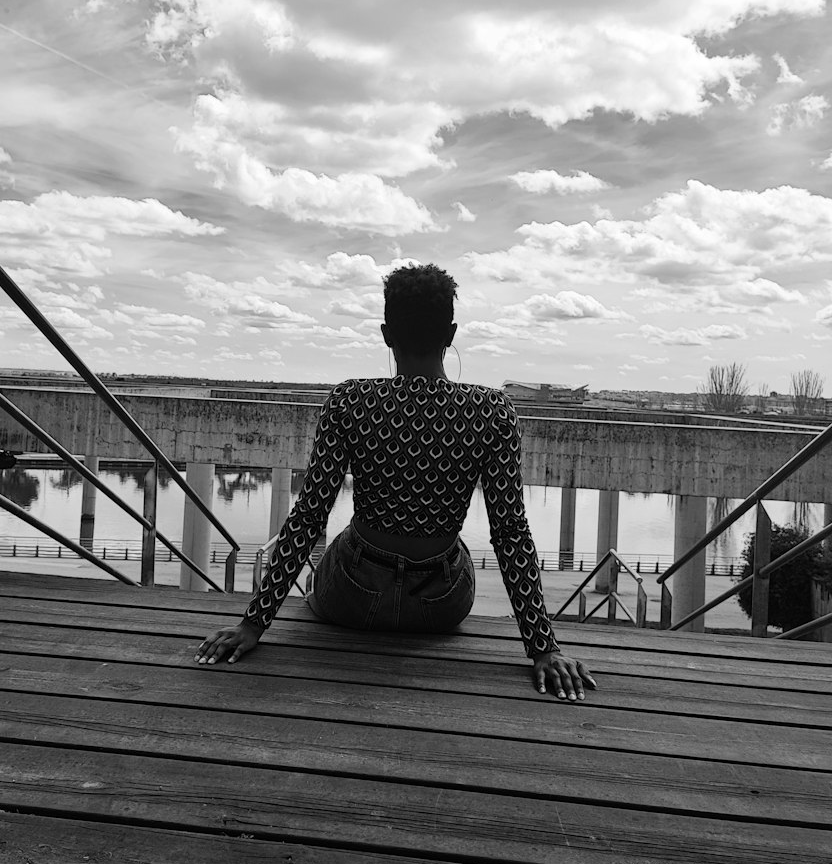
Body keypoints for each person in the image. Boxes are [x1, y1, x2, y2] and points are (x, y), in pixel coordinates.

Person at [196, 263, 596, 701]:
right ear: (451, 333)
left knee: (341, 542)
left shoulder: (351, 400)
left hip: (351, 594)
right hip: (440, 604)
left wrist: (253, 624)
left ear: (387, 334)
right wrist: (543, 648)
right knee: (456, 545)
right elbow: (509, 532)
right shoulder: (491, 411)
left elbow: (311, 514)